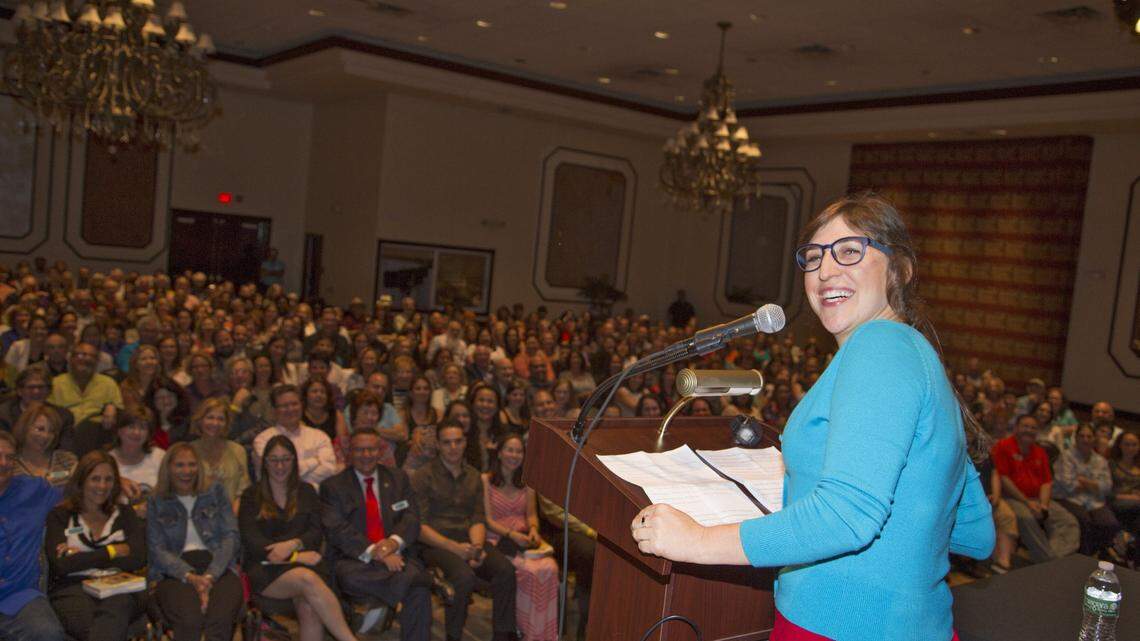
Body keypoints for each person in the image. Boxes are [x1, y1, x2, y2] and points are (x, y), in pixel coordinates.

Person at [628, 194, 995, 640]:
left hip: (841, 628)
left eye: (849, 251)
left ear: (899, 269)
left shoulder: (878, 348)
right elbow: (975, 533)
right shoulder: (916, 357)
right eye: (813, 257)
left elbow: (845, 517)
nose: (824, 271)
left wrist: (697, 540)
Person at [239, 436, 359, 641]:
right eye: (273, 459)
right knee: (307, 579)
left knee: (309, 606)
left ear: (294, 461)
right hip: (265, 569)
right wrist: (295, 557)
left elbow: (315, 534)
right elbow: (253, 542)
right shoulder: (251, 495)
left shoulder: (307, 491)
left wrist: (292, 545)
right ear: (264, 462)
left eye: (285, 459)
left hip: (306, 564)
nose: (279, 466)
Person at [320, 428, 433, 640]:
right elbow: (336, 529)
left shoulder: (399, 478)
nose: (366, 455)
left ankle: (400, 590)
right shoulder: (333, 486)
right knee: (412, 581)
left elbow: (411, 517)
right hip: (355, 560)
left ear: (380, 451)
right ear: (349, 453)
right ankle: (417, 580)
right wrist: (376, 552)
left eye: (371, 449)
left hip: (395, 556)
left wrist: (391, 543)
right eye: (360, 450)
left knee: (418, 592)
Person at [411, 422, 517, 641]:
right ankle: (453, 636)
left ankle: (502, 635)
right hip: (434, 544)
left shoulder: (473, 475)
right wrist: (457, 550)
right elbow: (419, 527)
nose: (453, 447)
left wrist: (476, 548)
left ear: (465, 442)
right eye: (447, 442)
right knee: (464, 576)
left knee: (505, 570)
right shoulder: (423, 475)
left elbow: (478, 518)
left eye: (458, 441)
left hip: (469, 540)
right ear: (438, 445)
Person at [45, 452, 146, 641]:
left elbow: (138, 558)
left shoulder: (124, 514)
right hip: (72, 588)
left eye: (108, 479)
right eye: (95, 479)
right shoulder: (60, 516)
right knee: (90, 625)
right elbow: (61, 566)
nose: (102, 486)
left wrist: (80, 558)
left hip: (120, 587)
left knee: (117, 608)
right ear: (81, 480)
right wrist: (113, 550)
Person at [146, 443, 243, 641]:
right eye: (179, 465)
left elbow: (231, 536)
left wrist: (210, 576)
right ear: (168, 468)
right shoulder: (156, 499)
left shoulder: (215, 491)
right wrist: (190, 577)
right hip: (174, 571)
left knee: (220, 619)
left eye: (192, 465)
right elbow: (157, 549)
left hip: (218, 565)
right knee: (190, 620)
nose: (187, 471)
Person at [483, 434, 557, 641]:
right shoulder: (486, 480)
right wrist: (511, 534)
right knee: (529, 572)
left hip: (525, 539)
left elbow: (532, 515)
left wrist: (533, 529)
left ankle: (541, 634)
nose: (514, 455)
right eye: (509, 450)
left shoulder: (527, 482)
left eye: (519, 451)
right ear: (499, 453)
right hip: (498, 539)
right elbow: (487, 520)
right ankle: (520, 629)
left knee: (550, 567)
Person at [0, 430, 68, 641]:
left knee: (48, 633)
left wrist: (119, 479)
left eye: (10, 457)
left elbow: (82, 493)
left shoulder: (33, 490)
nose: (3, 463)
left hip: (18, 596)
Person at [992, 413, 1080, 562]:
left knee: (1068, 521)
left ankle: (1054, 558)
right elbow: (1004, 478)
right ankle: (1047, 561)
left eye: (1033, 427)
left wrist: (1044, 506)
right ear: (1016, 428)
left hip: (1039, 499)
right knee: (1026, 517)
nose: (1029, 430)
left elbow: (1046, 482)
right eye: (1025, 426)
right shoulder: (1003, 446)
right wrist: (1028, 503)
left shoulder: (1039, 452)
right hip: (1011, 498)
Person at [1053, 423, 1122, 556]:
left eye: (1089, 436)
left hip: (1094, 502)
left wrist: (1083, 481)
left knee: (1110, 523)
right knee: (1084, 520)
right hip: (1068, 498)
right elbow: (1068, 485)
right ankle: (1083, 555)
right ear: (1076, 438)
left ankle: (1099, 554)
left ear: (1094, 439)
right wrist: (1095, 485)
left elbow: (1106, 487)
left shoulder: (1100, 461)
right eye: (1082, 436)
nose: (1085, 439)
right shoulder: (1067, 456)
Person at [252, 385, 341, 486]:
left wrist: (291, 472)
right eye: (284, 406)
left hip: (315, 499)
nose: (290, 409)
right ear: (274, 410)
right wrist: (314, 461)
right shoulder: (263, 440)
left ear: (302, 405)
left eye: (294, 404)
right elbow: (274, 474)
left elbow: (329, 470)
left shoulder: (320, 437)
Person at [189, 397, 251, 507]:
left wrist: (230, 518)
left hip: (232, 516)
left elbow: (243, 491)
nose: (215, 423)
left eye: (221, 419)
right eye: (210, 417)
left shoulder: (238, 450)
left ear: (227, 423)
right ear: (200, 420)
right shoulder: (188, 451)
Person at [108, 406, 166, 510]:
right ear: (119, 430)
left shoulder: (160, 457)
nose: (136, 432)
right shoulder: (106, 461)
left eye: (143, 428)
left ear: (149, 434)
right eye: (131, 427)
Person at [12, 402, 76, 488]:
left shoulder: (67, 460)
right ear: (24, 428)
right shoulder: (9, 463)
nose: (45, 436)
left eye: (51, 431)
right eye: (40, 429)